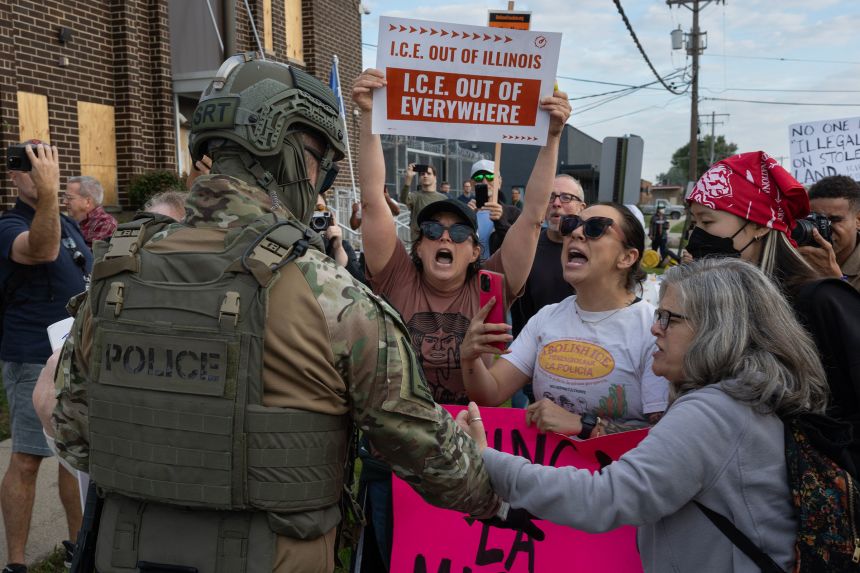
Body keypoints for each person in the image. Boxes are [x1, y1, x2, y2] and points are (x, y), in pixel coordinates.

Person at [47, 54, 506, 573]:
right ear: (289, 153)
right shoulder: (329, 293)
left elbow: (72, 434)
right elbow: (425, 452)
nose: (323, 180)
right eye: (321, 163)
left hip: (124, 551)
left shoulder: (116, 272)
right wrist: (491, 486)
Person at [458, 258, 830, 573]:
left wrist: (484, 460)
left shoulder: (714, 412)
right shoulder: (743, 398)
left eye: (669, 318)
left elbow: (603, 498)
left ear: (716, 330)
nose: (655, 328)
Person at [685, 151, 860, 453]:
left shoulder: (820, 299)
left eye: (708, 221)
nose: (696, 235)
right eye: (694, 222)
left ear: (760, 225)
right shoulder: (718, 301)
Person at [461, 203, 668, 437]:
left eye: (595, 228)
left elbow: (664, 436)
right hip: (543, 471)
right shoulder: (546, 318)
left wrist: (585, 425)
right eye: (572, 225)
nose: (576, 233)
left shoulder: (654, 329)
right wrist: (470, 358)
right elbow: (491, 392)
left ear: (627, 257)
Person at [0, 143, 88, 573]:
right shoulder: (10, 224)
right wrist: (51, 193)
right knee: (29, 458)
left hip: (71, 354)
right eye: (30, 167)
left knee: (75, 457)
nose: (40, 174)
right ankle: (16, 563)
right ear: (15, 175)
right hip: (33, 357)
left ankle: (79, 545)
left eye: (47, 165)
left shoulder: (69, 221)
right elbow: (43, 249)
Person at [510, 174, 585, 338]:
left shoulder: (593, 250)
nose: (556, 203)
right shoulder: (527, 247)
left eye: (566, 197)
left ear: (582, 207)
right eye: (550, 197)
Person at [802, 175, 860, 292]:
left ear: (858, 221)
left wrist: (836, 280)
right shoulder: (798, 260)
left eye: (834, 220)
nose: (825, 229)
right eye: (816, 220)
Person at [315, 193, 364, 283]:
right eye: (310, 210)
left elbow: (358, 282)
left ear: (330, 215)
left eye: (319, 208)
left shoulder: (341, 246)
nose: (314, 215)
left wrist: (338, 248)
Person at [398, 163, 447, 241]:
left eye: (429, 173)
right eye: (422, 174)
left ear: (435, 177)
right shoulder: (415, 195)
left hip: (437, 239)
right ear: (420, 178)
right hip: (418, 240)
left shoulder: (443, 198)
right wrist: (409, 179)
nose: (425, 175)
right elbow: (403, 199)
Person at [64, 175, 117, 247]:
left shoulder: (105, 224)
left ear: (87, 202)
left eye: (69, 198)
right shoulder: (70, 223)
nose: (64, 201)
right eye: (64, 197)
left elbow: (90, 256)